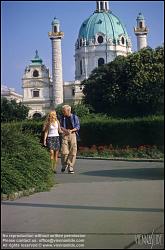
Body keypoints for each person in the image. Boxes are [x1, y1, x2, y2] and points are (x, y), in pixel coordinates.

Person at [60, 105, 80, 174]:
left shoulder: (75, 117)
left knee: (73, 151)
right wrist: (66, 130)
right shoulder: (62, 117)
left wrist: (71, 131)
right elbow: (60, 126)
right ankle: (64, 164)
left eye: (64, 111)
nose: (63, 112)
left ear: (68, 110)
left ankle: (70, 166)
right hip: (65, 134)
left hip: (73, 135)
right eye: (62, 111)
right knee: (64, 151)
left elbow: (78, 126)